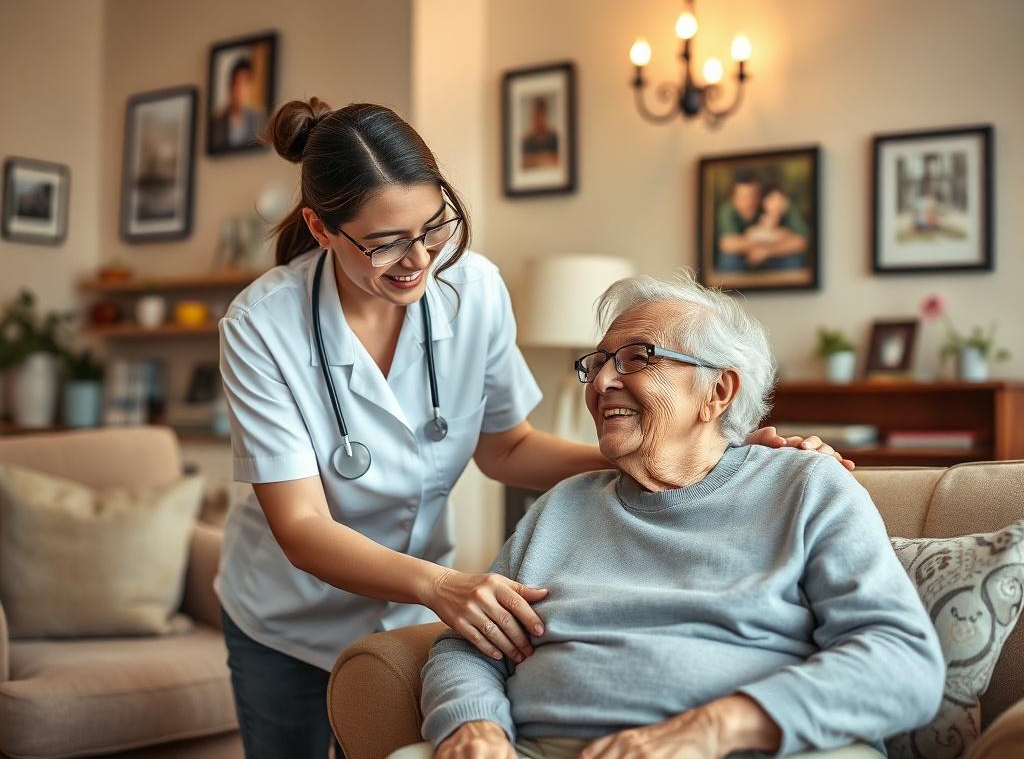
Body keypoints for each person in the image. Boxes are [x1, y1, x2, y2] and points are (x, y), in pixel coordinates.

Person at [216, 98, 852, 759]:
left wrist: (688, 452)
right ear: (321, 229)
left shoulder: (476, 290)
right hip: (288, 618)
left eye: (433, 228)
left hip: (413, 605)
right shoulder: (263, 326)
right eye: (384, 244)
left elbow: (508, 447)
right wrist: (441, 585)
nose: (418, 259)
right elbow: (302, 526)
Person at [413, 274, 944, 759]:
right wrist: (473, 724)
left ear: (717, 391)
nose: (600, 385)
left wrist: (711, 728)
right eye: (597, 363)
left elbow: (900, 662)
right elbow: (469, 647)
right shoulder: (560, 506)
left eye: (637, 358)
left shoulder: (806, 486)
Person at [715, 170, 809, 272]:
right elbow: (728, 244)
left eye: (753, 196)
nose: (749, 202)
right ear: (733, 198)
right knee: (729, 260)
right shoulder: (727, 211)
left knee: (794, 259)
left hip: (777, 257)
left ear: (761, 196)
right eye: (742, 197)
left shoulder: (778, 204)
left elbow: (801, 241)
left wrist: (767, 251)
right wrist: (769, 241)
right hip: (744, 259)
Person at [210, 57, 265, 151]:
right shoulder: (217, 121)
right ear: (230, 87)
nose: (241, 90)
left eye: (245, 84)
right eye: (237, 84)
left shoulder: (259, 119)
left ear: (251, 87)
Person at [520, 96, 559, 169]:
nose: (539, 119)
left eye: (541, 115)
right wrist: (542, 159)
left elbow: (559, 159)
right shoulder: (527, 140)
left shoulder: (554, 137)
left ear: (546, 115)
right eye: (536, 115)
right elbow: (522, 162)